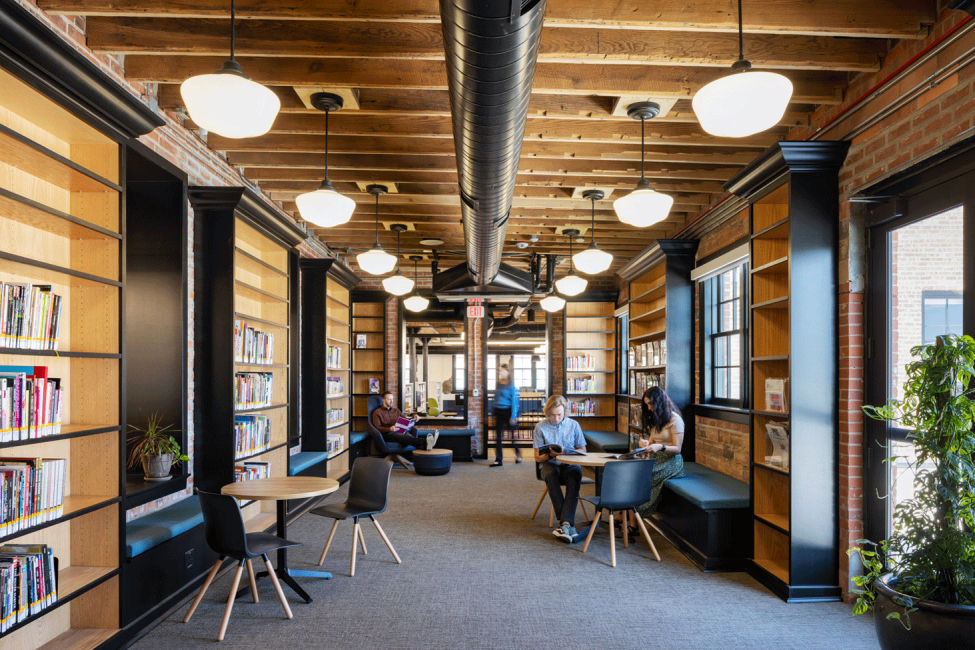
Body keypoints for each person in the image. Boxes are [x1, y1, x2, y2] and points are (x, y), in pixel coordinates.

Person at [628, 386, 685, 531]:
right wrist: (647, 443)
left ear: (659, 402)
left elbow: (678, 449)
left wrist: (661, 447)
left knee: (638, 478)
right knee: (632, 475)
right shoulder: (657, 418)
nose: (649, 408)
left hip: (671, 460)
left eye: (651, 404)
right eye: (647, 404)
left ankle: (630, 522)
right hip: (656, 457)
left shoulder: (675, 420)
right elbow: (653, 441)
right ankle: (628, 520)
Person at [533, 395, 587, 543]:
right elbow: (537, 457)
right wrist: (550, 454)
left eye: (559, 415)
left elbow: (582, 448)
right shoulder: (540, 427)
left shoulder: (574, 425)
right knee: (551, 475)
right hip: (550, 463)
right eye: (552, 414)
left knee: (575, 474)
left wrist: (571, 452)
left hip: (570, 464)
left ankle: (565, 524)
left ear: (565, 412)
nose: (556, 418)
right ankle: (567, 523)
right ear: (547, 412)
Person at [371, 390, 438, 451]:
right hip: (388, 434)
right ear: (383, 400)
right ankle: (427, 442)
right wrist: (390, 429)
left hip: (400, 430)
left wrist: (414, 417)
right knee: (406, 437)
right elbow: (377, 428)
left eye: (392, 399)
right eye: (389, 399)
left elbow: (406, 419)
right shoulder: (377, 412)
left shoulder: (396, 410)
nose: (392, 401)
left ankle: (426, 445)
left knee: (409, 437)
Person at [489, 363, 521, 467]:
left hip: (507, 412)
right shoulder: (498, 384)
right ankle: (498, 460)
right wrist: (492, 412)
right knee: (498, 437)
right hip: (498, 412)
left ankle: (518, 454)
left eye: (501, 370)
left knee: (511, 437)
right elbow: (495, 398)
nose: (500, 372)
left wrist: (513, 416)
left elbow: (515, 402)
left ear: (508, 372)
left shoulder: (511, 385)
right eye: (498, 371)